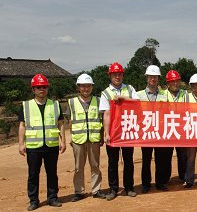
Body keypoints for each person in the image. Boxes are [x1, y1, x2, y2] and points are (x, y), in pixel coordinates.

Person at [18, 74, 66, 211]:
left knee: (52, 173)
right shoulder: (26, 105)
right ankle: (33, 200)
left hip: (51, 145)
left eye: (44, 87)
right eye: (38, 87)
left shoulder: (55, 104)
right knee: (33, 174)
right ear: (33, 89)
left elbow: (60, 124)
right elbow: (22, 125)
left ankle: (52, 198)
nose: (42, 89)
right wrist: (21, 143)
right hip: (34, 147)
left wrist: (63, 140)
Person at [100, 62, 140, 201]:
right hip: (114, 132)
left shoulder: (129, 89)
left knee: (128, 161)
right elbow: (106, 114)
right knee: (113, 162)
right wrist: (106, 133)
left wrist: (123, 98)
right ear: (110, 76)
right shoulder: (106, 93)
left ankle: (129, 187)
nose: (117, 76)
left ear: (123, 75)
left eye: (120, 74)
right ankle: (113, 189)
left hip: (128, 130)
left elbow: (137, 103)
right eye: (114, 74)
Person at [67, 74, 105, 202]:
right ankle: (79, 191)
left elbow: (101, 119)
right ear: (78, 88)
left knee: (95, 165)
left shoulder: (98, 101)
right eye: (83, 86)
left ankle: (96, 190)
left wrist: (102, 136)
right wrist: (71, 137)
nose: (86, 88)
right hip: (78, 139)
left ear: (92, 87)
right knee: (79, 167)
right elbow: (70, 121)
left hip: (94, 138)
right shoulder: (72, 102)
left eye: (88, 86)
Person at [137, 65, 171, 193]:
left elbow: (170, 110)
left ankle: (160, 183)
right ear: (147, 78)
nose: (153, 79)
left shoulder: (165, 94)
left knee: (160, 159)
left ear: (158, 78)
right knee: (146, 159)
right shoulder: (138, 95)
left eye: (155, 77)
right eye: (151, 77)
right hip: (145, 132)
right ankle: (146, 184)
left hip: (160, 131)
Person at [165, 70, 187, 183]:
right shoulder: (163, 95)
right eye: (172, 82)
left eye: (177, 81)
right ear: (168, 84)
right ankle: (165, 178)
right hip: (168, 129)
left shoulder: (185, 94)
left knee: (183, 155)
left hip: (182, 129)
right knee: (166, 155)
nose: (175, 84)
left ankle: (183, 176)